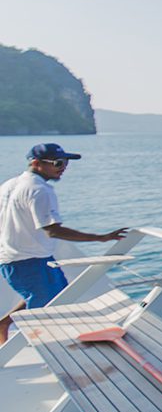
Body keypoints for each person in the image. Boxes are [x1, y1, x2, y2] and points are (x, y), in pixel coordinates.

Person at [0, 144, 127, 345]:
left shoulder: (9, 185)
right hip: (28, 260)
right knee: (46, 309)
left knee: (57, 294)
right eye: (57, 163)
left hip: (16, 258)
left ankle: (5, 323)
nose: (63, 167)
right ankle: (43, 347)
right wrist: (101, 237)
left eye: (66, 162)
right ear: (36, 163)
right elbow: (52, 230)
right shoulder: (39, 190)